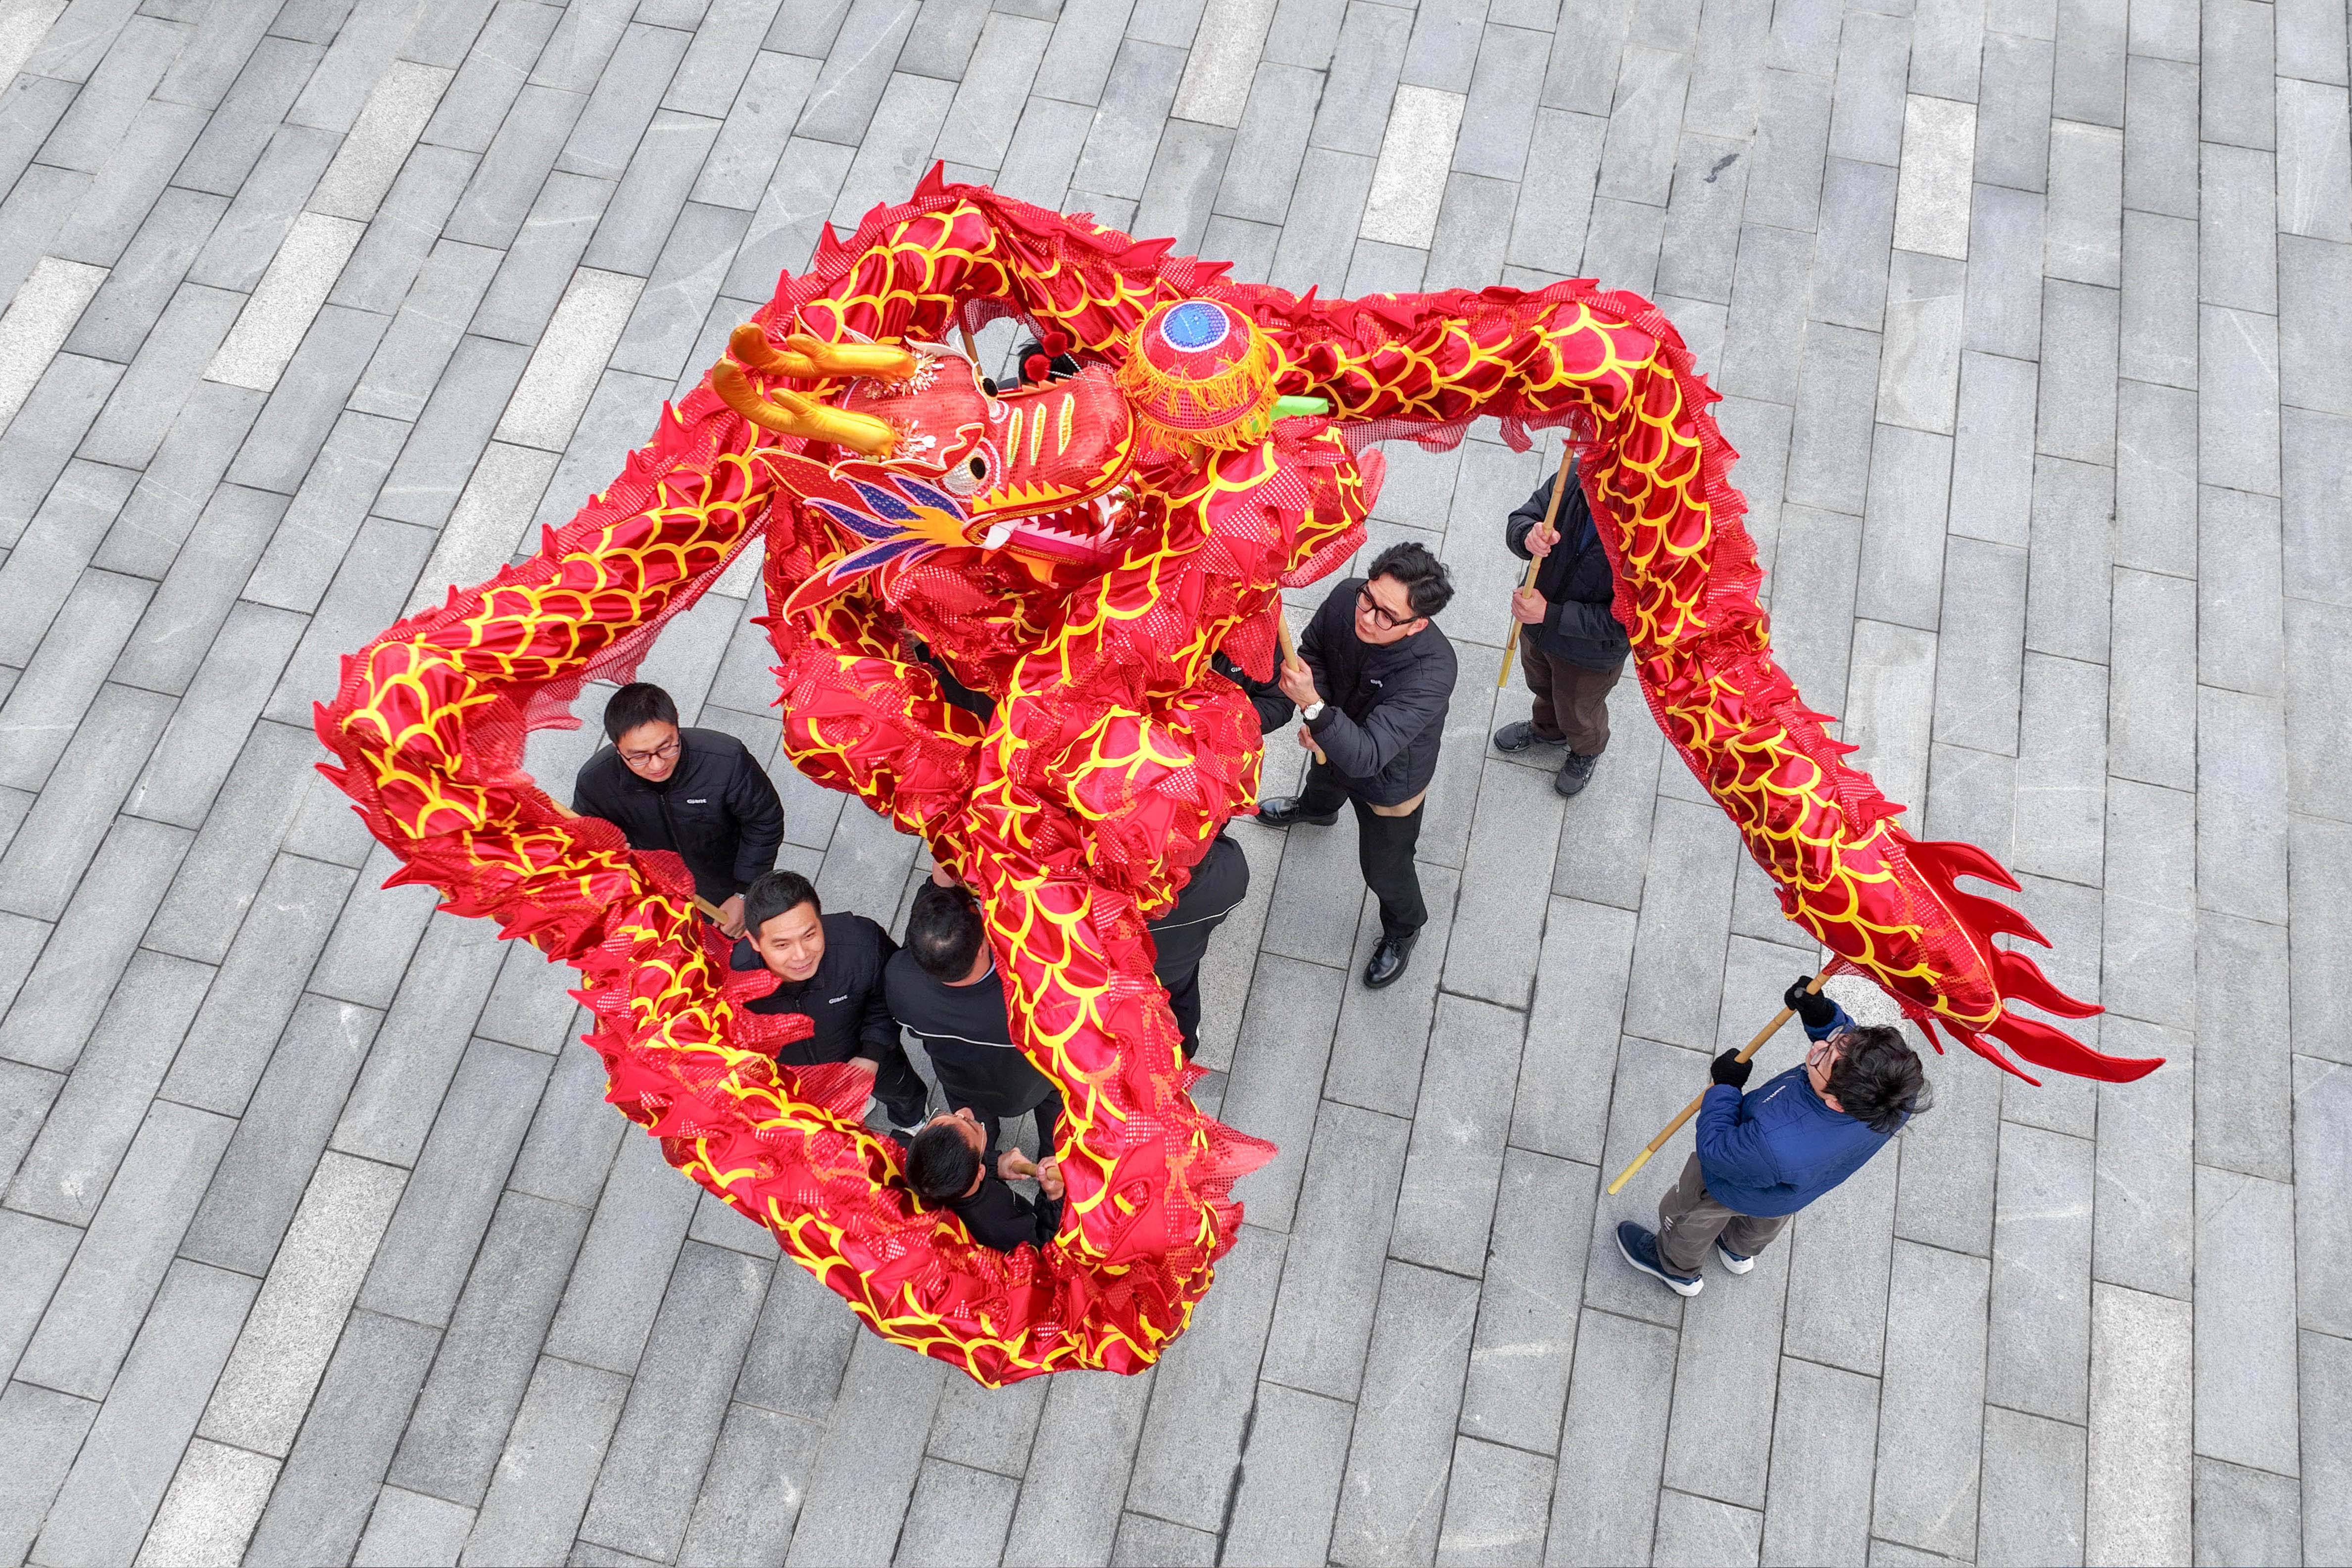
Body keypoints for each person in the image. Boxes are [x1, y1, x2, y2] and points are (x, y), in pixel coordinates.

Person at [1616, 977, 1935, 1296]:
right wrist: (1823, 1017)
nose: (1818, 1047)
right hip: (1790, 1192)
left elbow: (1716, 1150)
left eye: (1823, 1059)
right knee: (1762, 1221)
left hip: (1731, 1183)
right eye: (1839, 1042)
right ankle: (1738, 1251)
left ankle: (1675, 1267)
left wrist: (1726, 1089)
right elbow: (1853, 1053)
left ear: (1836, 1102)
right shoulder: (1897, 1094)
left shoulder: (1773, 1143)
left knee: (1690, 1216)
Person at [1255, 541, 1458, 989]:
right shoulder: (1348, 595)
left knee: (1385, 865)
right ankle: (1317, 810)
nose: (1367, 617)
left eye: (1387, 616)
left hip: (1389, 778)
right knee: (1322, 781)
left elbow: (1367, 755)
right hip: (1331, 736)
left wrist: (1315, 709)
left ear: (1418, 623)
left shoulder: (1433, 672)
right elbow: (1314, 652)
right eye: (1369, 598)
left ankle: (1405, 926)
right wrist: (1320, 712)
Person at [573, 683, 784, 936]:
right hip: (656, 902)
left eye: (667, 747)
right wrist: (604, 853)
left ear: (677, 727)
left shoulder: (726, 760)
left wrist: (746, 892)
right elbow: (584, 839)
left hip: (728, 883)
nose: (656, 764)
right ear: (618, 749)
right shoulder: (595, 782)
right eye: (639, 756)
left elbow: (764, 820)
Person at [731, 870, 930, 1136]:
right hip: (798, 1078)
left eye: (810, 935)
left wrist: (872, 1056)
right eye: (782, 945)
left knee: (902, 1092)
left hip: (868, 1057)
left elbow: (890, 996)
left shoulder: (861, 943)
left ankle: (913, 1119)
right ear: (754, 942)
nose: (801, 955)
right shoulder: (733, 978)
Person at [885, 882, 1061, 1155]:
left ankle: (984, 1166)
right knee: (1057, 1129)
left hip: (961, 1086)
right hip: (1035, 1086)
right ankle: (1055, 1172)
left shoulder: (899, 980)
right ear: (981, 948)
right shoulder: (1031, 996)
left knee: (978, 1142)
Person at [1490, 464, 1631, 798]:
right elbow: (1524, 515)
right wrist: (1527, 535)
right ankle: (1548, 730)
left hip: (1589, 654)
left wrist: (1550, 614)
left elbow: (1628, 623)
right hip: (1537, 625)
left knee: (1579, 709)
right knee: (1541, 683)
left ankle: (1587, 750)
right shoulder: (1576, 474)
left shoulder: (1653, 539)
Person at [1147, 830, 1249, 1057]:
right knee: (1183, 997)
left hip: (1125, 971)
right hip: (1181, 960)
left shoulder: (1102, 909)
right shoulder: (1230, 873)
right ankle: (1186, 1046)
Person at [906, 1107, 1064, 1252]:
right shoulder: (1004, 1232)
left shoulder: (925, 1177)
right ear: (980, 1173)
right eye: (971, 1124)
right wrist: (1054, 1198)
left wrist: (996, 1164)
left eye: (950, 1115)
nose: (965, 1111)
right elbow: (1047, 1249)